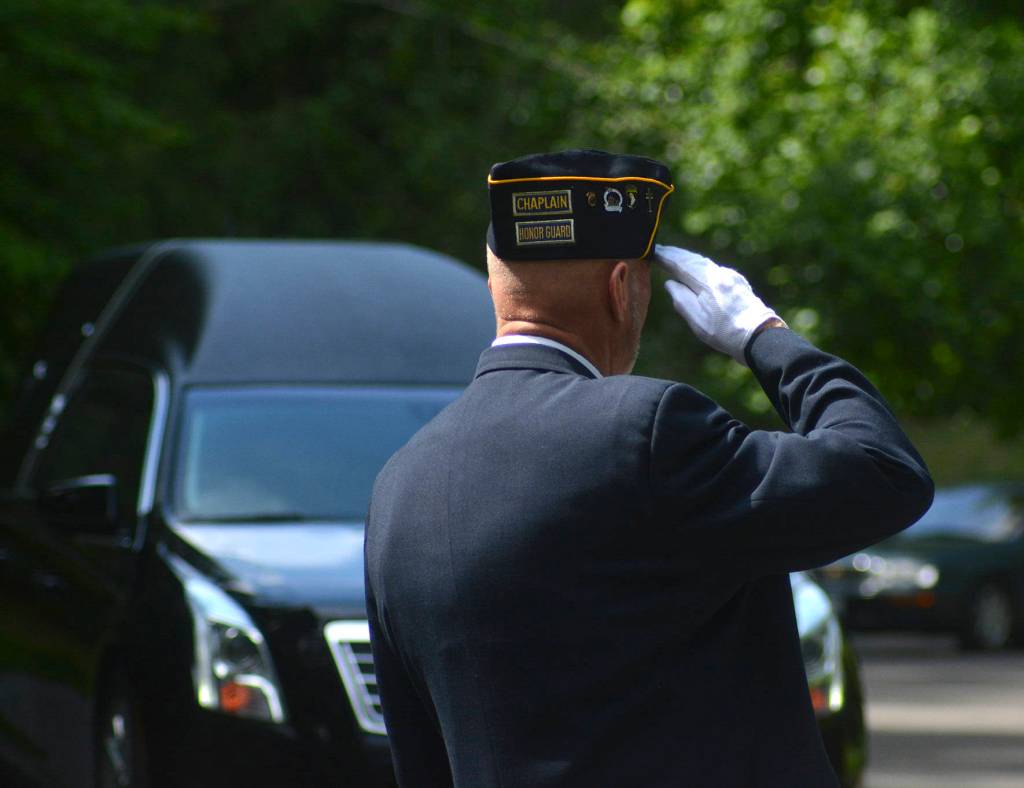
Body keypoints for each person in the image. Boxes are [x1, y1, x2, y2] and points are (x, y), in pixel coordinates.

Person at [364, 149, 933, 787]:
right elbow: (883, 470)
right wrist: (763, 334)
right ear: (621, 289)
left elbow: (418, 756)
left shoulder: (399, 485)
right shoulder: (646, 430)